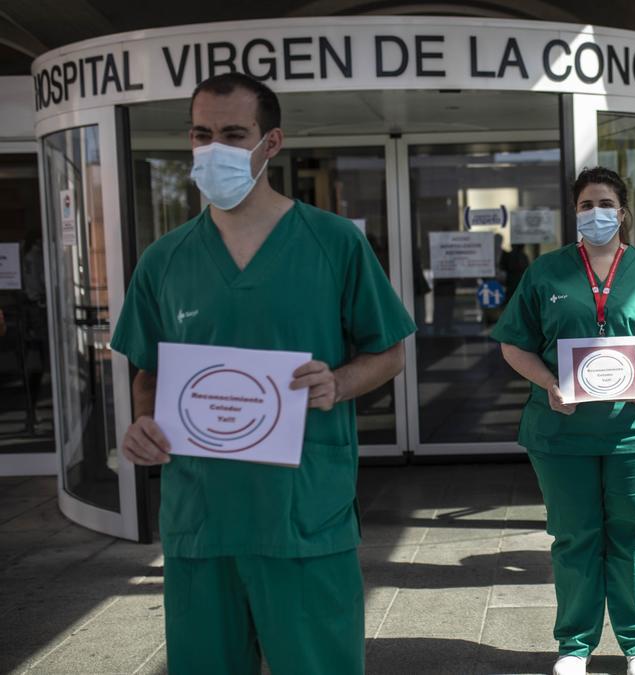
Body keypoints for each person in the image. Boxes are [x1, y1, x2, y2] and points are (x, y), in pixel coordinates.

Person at [111, 73, 415, 675]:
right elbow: (148, 370)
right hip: (201, 518)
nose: (213, 148)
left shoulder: (332, 243)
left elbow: (391, 353)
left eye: (232, 134)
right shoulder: (164, 260)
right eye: (202, 134)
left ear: (270, 143)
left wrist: (339, 383)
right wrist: (143, 422)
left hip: (302, 514)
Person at [492, 167, 635, 675]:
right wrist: (549, 383)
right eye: (586, 205)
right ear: (575, 212)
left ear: (623, 211)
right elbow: (512, 344)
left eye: (605, 203)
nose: (595, 214)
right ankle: (574, 645)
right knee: (574, 537)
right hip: (562, 432)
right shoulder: (546, 273)